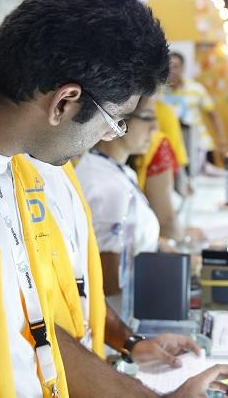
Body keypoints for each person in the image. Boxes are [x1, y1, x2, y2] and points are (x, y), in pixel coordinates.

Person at [0, 0, 228, 397]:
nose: (110, 135)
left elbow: (38, 324)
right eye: (114, 120)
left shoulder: (27, 164)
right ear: (64, 102)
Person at [27, 154, 202, 369]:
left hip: (89, 362)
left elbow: (85, 292)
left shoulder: (64, 170)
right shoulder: (91, 179)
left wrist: (131, 343)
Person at [75, 96, 162, 315]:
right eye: (147, 117)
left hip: (132, 308)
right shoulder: (104, 185)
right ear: (118, 119)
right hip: (119, 315)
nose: (154, 128)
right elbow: (110, 282)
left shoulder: (118, 171)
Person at [162, 52, 228, 166]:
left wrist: (222, 143)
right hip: (171, 147)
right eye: (169, 67)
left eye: (176, 66)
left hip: (201, 145)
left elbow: (213, 116)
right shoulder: (159, 94)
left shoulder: (196, 89)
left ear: (182, 68)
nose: (172, 70)